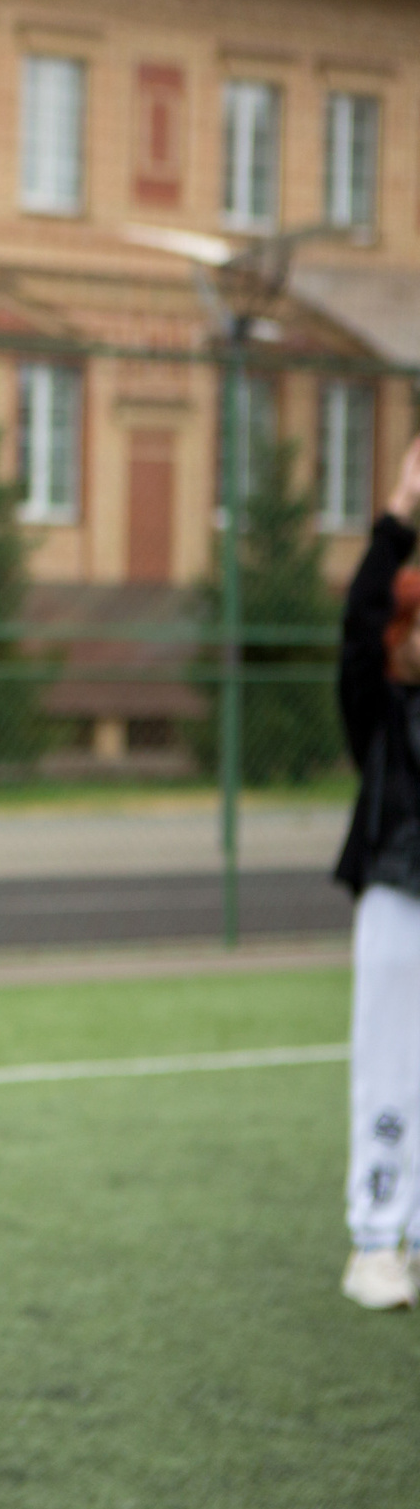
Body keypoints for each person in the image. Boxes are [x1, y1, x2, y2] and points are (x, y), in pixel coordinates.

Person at [337, 434, 420, 1310]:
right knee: (391, 1066)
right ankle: (375, 1241)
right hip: (399, 896)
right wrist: (399, 512)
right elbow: (358, 627)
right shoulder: (382, 715)